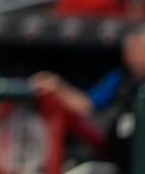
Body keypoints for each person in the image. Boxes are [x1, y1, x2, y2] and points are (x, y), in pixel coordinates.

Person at [30, 27, 145, 172]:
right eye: (130, 51)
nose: (132, 55)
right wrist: (57, 85)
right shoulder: (121, 79)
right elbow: (86, 105)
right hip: (122, 160)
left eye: (139, 49)